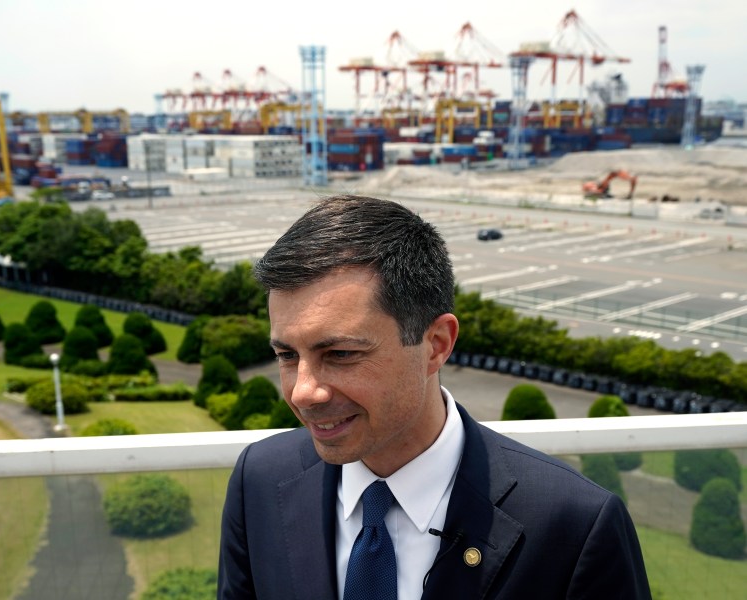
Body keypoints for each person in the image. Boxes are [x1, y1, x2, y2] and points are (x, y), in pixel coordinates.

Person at [217, 195, 651, 600]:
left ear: (436, 344)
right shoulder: (258, 481)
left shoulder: (574, 526)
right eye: (287, 355)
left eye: (341, 354)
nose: (303, 391)